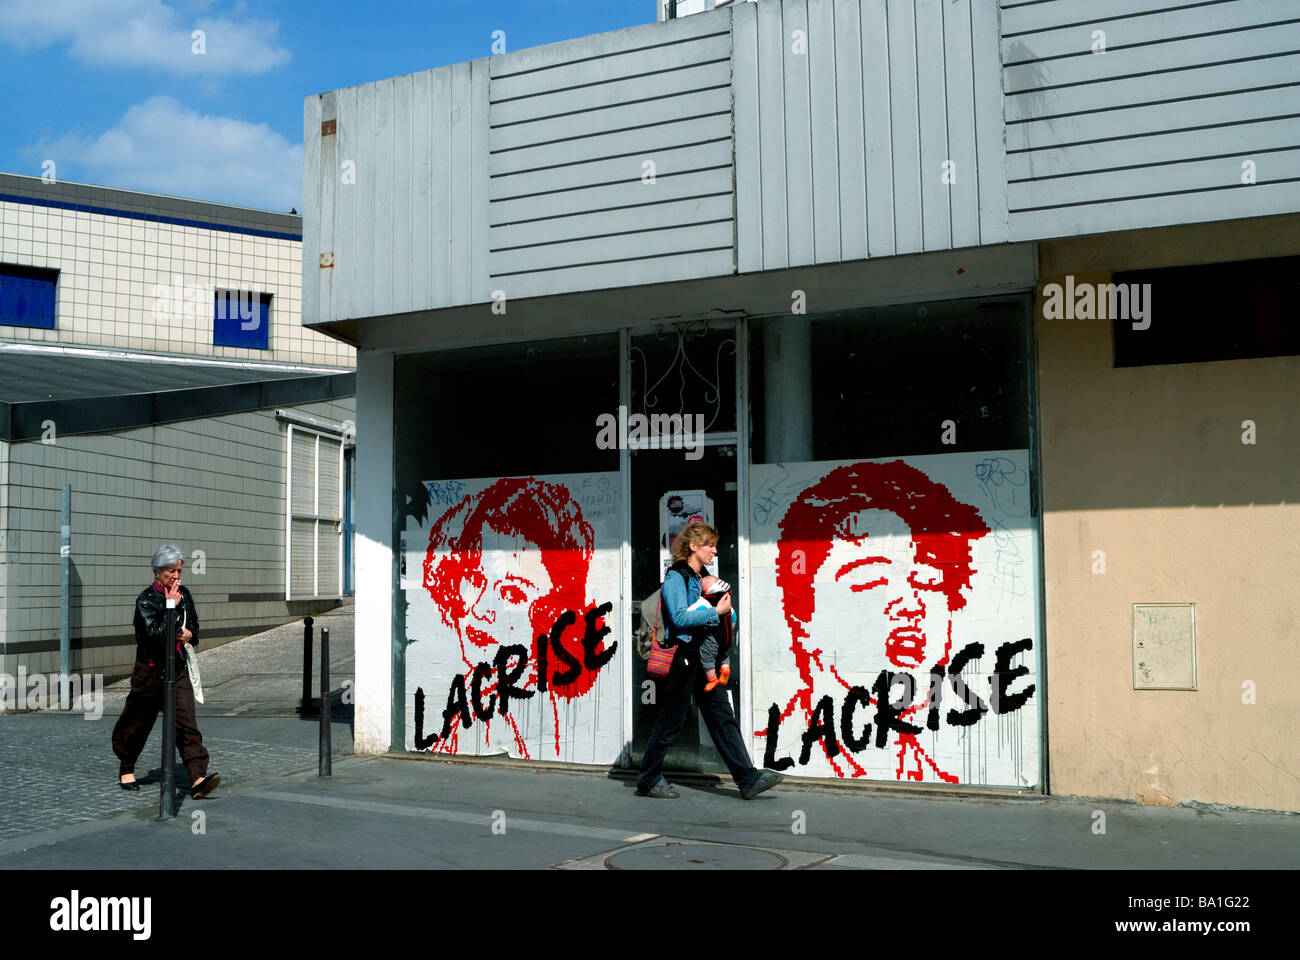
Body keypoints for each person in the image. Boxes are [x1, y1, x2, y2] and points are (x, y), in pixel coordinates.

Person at [767, 460, 991, 782]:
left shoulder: (932, 761)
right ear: (803, 618)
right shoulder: (783, 751)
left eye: (927, 581)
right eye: (874, 578)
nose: (910, 605)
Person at [418, 477, 611, 757]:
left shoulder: (551, 712)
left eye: (512, 593)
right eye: (473, 579)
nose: (481, 610)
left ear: (554, 610)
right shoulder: (474, 703)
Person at [637, 521, 782, 800]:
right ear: (693, 546)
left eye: (715, 545)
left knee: (721, 716)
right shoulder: (676, 578)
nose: (715, 550)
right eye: (710, 545)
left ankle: (747, 778)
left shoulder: (697, 576)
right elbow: (678, 619)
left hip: (703, 659)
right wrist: (716, 611)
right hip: (682, 660)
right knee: (671, 722)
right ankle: (648, 777)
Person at [111, 545, 218, 798]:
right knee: (137, 723)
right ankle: (127, 766)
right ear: (158, 571)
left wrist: (191, 634)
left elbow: (193, 626)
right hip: (150, 671)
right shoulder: (146, 600)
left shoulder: (185, 594)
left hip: (177, 668)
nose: (176, 576)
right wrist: (170, 607)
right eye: (171, 571)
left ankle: (197, 777)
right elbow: (153, 636)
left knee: (186, 723)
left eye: (179, 570)